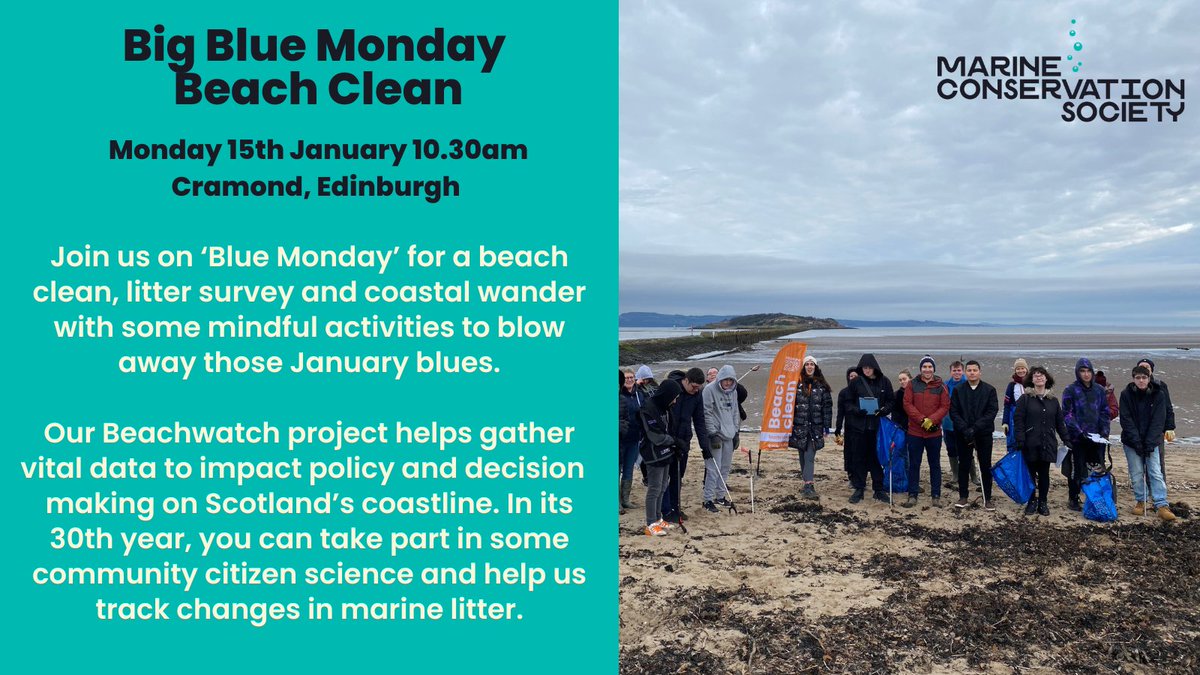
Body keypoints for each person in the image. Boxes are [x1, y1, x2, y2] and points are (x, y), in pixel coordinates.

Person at [1119, 366, 1176, 521]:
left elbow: (1159, 420)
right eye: (1138, 378)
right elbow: (1125, 419)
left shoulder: (1159, 395)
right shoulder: (1126, 395)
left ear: (1149, 378)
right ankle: (1141, 501)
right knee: (1137, 473)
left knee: (1155, 472)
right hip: (1132, 442)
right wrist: (1137, 442)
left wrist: (1149, 443)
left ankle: (1161, 504)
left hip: (1153, 441)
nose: (1141, 381)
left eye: (1144, 377)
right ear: (1133, 379)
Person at [1013, 366, 1070, 516]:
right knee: (1030, 474)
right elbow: (1018, 421)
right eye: (1036, 376)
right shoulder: (1025, 399)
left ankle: (1043, 502)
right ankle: (1031, 501)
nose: (1039, 378)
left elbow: (1060, 423)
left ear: (1046, 379)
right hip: (1029, 443)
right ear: (1031, 380)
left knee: (1044, 474)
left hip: (1048, 443)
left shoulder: (1053, 401)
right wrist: (1020, 439)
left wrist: (1066, 439)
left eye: (1041, 375)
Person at [1061, 357, 1111, 512]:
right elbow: (1067, 414)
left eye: (1088, 371)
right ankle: (1073, 497)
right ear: (1078, 372)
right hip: (1078, 438)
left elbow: (1105, 412)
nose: (1086, 374)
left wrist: (1104, 432)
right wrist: (1078, 431)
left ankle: (1094, 497)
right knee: (1077, 469)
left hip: (1096, 438)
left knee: (1096, 468)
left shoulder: (1099, 390)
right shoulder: (1070, 390)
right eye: (1082, 371)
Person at [661, 368, 711, 522]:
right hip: (667, 440)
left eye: (699, 388)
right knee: (664, 478)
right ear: (686, 381)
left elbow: (699, 421)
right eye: (694, 387)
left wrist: (705, 447)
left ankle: (675, 508)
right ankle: (665, 510)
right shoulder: (671, 388)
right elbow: (660, 414)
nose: (696, 390)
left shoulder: (696, 396)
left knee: (678, 476)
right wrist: (669, 439)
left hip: (684, 441)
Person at [949, 360, 999, 510]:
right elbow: (954, 411)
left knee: (985, 465)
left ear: (979, 372)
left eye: (974, 370)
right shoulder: (958, 390)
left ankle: (987, 498)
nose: (972, 372)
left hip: (983, 433)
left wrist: (975, 428)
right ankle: (963, 496)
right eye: (969, 370)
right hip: (963, 433)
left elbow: (992, 411)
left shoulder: (989, 390)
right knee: (963, 464)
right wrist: (965, 428)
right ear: (965, 372)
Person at [845, 354, 894, 504]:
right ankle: (859, 488)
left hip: (877, 428)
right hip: (859, 427)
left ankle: (878, 489)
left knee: (877, 458)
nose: (866, 370)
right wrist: (857, 410)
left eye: (869, 367)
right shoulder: (856, 382)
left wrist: (884, 410)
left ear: (874, 368)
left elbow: (891, 401)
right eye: (864, 368)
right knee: (859, 458)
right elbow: (847, 403)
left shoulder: (884, 381)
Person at [903, 355, 949, 508]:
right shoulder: (912, 384)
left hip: (933, 433)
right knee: (914, 464)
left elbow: (945, 406)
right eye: (925, 367)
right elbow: (908, 404)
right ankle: (912, 494)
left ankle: (935, 495)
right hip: (915, 432)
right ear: (921, 368)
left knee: (934, 464)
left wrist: (932, 420)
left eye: (930, 367)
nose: (927, 369)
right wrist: (922, 420)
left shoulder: (941, 385)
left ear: (933, 369)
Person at [637, 379, 682, 536]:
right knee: (654, 488)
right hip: (652, 453)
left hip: (666, 451)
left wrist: (676, 444)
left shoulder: (666, 408)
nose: (675, 400)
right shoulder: (648, 408)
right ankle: (650, 523)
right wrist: (673, 441)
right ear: (667, 395)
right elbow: (654, 436)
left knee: (663, 485)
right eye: (674, 397)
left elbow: (669, 428)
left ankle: (658, 518)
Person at [788, 356, 833, 500]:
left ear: (815, 367)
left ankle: (809, 484)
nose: (809, 367)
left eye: (811, 364)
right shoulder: (796, 384)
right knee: (802, 454)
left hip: (815, 427)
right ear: (803, 367)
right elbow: (789, 406)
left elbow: (827, 407)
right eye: (807, 364)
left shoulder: (822, 386)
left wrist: (826, 426)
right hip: (799, 426)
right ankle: (806, 482)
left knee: (809, 455)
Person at [702, 365, 740, 512]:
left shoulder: (734, 392)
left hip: (729, 435)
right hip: (715, 436)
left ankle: (720, 496)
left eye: (731, 380)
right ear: (721, 379)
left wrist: (736, 432)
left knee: (725, 467)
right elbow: (707, 412)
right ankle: (708, 500)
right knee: (713, 468)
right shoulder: (709, 390)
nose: (728, 383)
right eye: (726, 380)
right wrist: (712, 433)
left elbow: (735, 411)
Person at [1135, 358, 1176, 482]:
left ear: (1151, 370)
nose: (1144, 369)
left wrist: (1170, 427)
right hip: (1139, 430)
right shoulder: (1134, 387)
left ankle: (1159, 487)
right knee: (1140, 461)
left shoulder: (1160, 386)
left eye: (1147, 367)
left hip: (1157, 430)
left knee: (1157, 461)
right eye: (1141, 366)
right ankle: (1145, 486)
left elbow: (1168, 407)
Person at [942, 361, 973, 491]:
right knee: (951, 449)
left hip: (964, 423)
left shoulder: (968, 384)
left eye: (959, 370)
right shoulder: (946, 385)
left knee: (967, 450)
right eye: (954, 371)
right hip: (948, 422)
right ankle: (955, 474)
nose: (957, 373)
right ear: (951, 372)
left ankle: (974, 475)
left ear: (963, 371)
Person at [619, 369, 639, 513]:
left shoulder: (639, 394)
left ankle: (625, 499)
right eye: (627, 378)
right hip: (620, 440)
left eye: (632, 377)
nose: (629, 380)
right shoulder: (620, 396)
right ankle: (616, 502)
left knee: (628, 470)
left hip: (634, 439)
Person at [835, 368, 858, 480]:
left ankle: (860, 475)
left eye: (855, 376)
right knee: (849, 452)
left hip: (862, 427)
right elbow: (840, 413)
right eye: (851, 376)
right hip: (849, 427)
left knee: (860, 452)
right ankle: (850, 475)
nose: (853, 378)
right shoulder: (844, 393)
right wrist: (838, 429)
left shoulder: (863, 391)